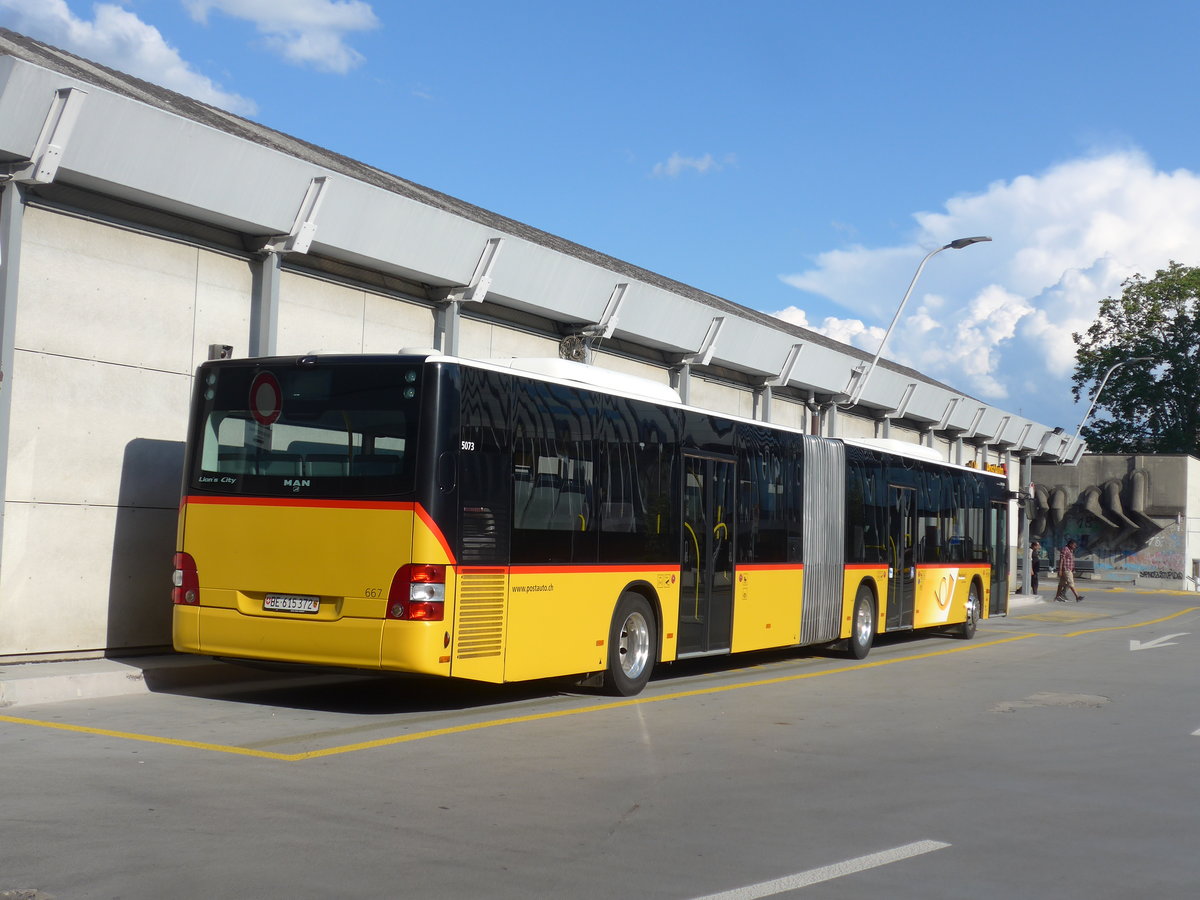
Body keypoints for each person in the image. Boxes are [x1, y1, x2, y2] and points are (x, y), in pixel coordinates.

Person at [1054, 538, 1084, 603]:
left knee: (1061, 584)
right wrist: (1060, 570)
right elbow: (1061, 559)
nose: (1075, 546)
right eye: (1074, 545)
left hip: (1069, 569)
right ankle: (1077, 596)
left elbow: (1071, 560)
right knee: (1071, 583)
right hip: (1066, 569)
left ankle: (1057, 597)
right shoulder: (1065, 549)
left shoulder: (1071, 550)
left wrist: (1073, 568)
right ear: (1070, 544)